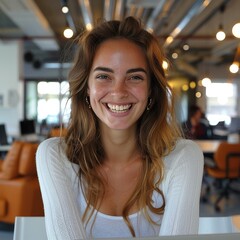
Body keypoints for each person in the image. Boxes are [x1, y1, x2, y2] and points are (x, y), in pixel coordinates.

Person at [36, 16, 204, 239]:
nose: (118, 92)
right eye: (104, 76)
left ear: (151, 91)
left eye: (134, 77)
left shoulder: (183, 157)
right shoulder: (55, 155)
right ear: (87, 87)